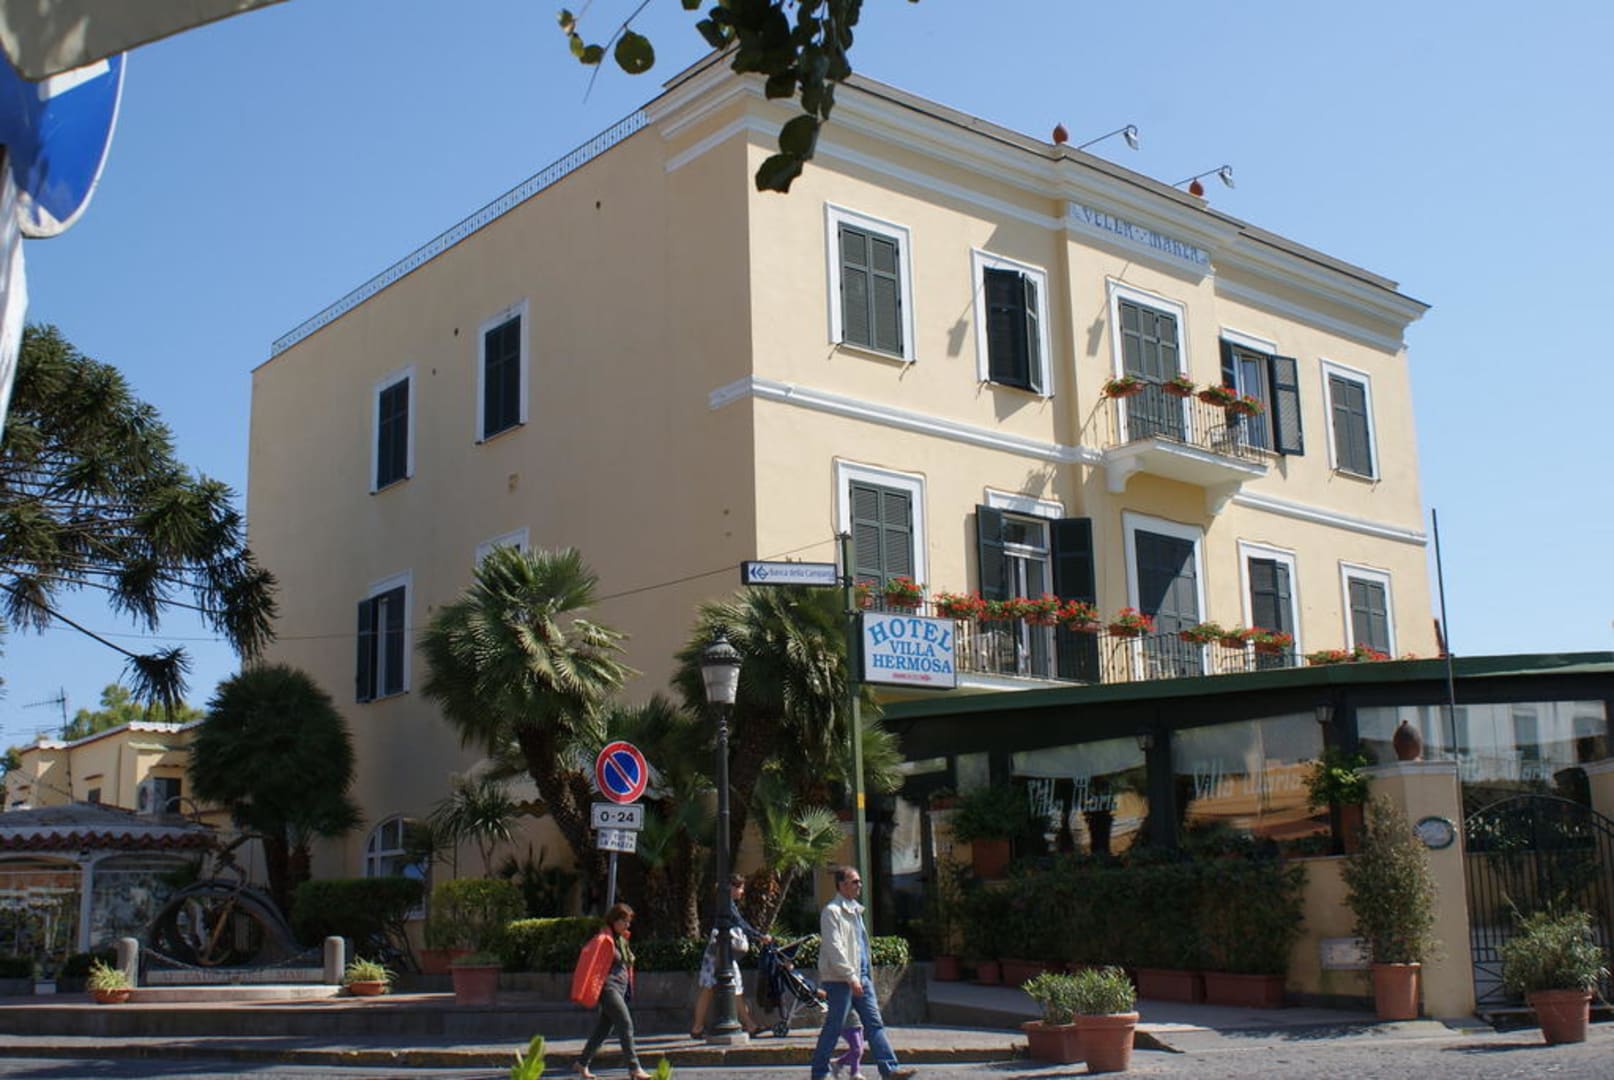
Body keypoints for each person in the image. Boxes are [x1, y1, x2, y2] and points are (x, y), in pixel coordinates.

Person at [809, 867, 915, 1080]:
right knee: (834, 1026)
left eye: (859, 881)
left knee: (874, 1024)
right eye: (855, 881)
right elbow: (834, 948)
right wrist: (851, 977)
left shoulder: (856, 910)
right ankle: (820, 1072)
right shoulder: (832, 912)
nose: (860, 885)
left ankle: (890, 1069)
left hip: (862, 977)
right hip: (840, 980)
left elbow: (860, 946)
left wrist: (862, 976)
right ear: (842, 885)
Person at [572, 903, 651, 1080]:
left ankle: (582, 1062)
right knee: (625, 1023)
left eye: (629, 922)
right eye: (624, 921)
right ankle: (634, 1068)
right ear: (614, 920)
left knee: (604, 1028)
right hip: (608, 988)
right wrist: (589, 987)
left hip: (620, 988)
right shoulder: (603, 939)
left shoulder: (622, 940)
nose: (627, 925)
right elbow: (589, 960)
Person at [689, 872, 770, 1038]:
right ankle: (749, 1025)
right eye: (740, 888)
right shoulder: (726, 904)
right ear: (732, 888)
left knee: (712, 988)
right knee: (730, 985)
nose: (742, 892)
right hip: (721, 951)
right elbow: (739, 922)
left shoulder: (723, 902)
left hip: (717, 950)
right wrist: (759, 936)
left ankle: (699, 1027)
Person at [833, 1007, 866, 1080]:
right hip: (847, 1025)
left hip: (858, 1023)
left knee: (859, 1051)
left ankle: (839, 1063)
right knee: (856, 1050)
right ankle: (854, 1073)